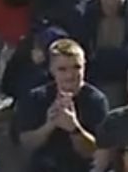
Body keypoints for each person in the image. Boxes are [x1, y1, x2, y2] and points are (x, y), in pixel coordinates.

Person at [13, 38, 107, 172]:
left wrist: (74, 128)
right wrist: (49, 126)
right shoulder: (36, 97)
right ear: (51, 70)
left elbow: (95, 151)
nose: (70, 75)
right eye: (62, 69)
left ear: (85, 66)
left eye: (76, 67)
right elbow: (26, 144)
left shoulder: (96, 100)